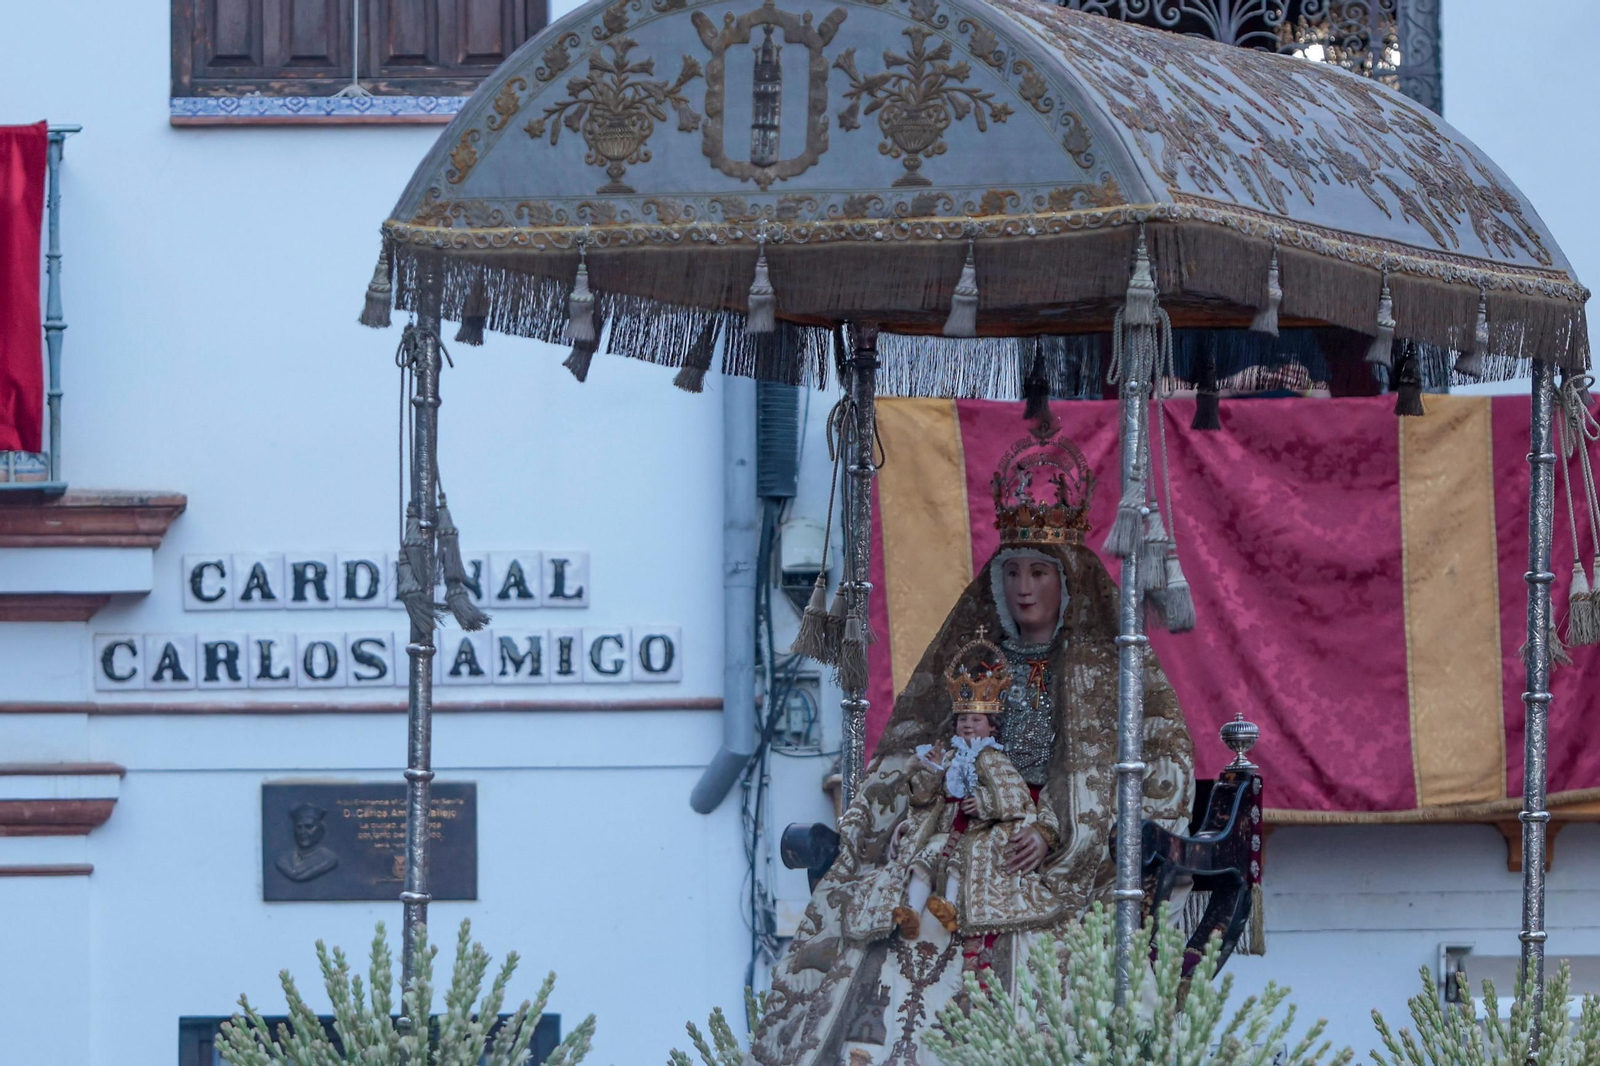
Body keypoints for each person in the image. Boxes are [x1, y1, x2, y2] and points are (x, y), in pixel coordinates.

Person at [750, 423, 1195, 1066]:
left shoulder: (1105, 668)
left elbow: (1142, 771)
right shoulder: (979, 660)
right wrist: (910, 797)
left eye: (1039, 572)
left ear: (1066, 581)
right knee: (919, 878)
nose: (1023, 588)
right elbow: (926, 756)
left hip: (1063, 845)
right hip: (966, 827)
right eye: (1012, 571)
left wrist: (1055, 828)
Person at [890, 635, 1060, 945]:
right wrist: (931, 773)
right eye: (963, 719)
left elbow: (1014, 795)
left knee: (960, 862)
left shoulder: (992, 758)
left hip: (980, 831)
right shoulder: (949, 756)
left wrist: (983, 802)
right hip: (946, 824)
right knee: (925, 858)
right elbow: (925, 797)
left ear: (991, 726)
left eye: (976, 720)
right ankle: (911, 911)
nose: (968, 726)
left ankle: (951, 909)